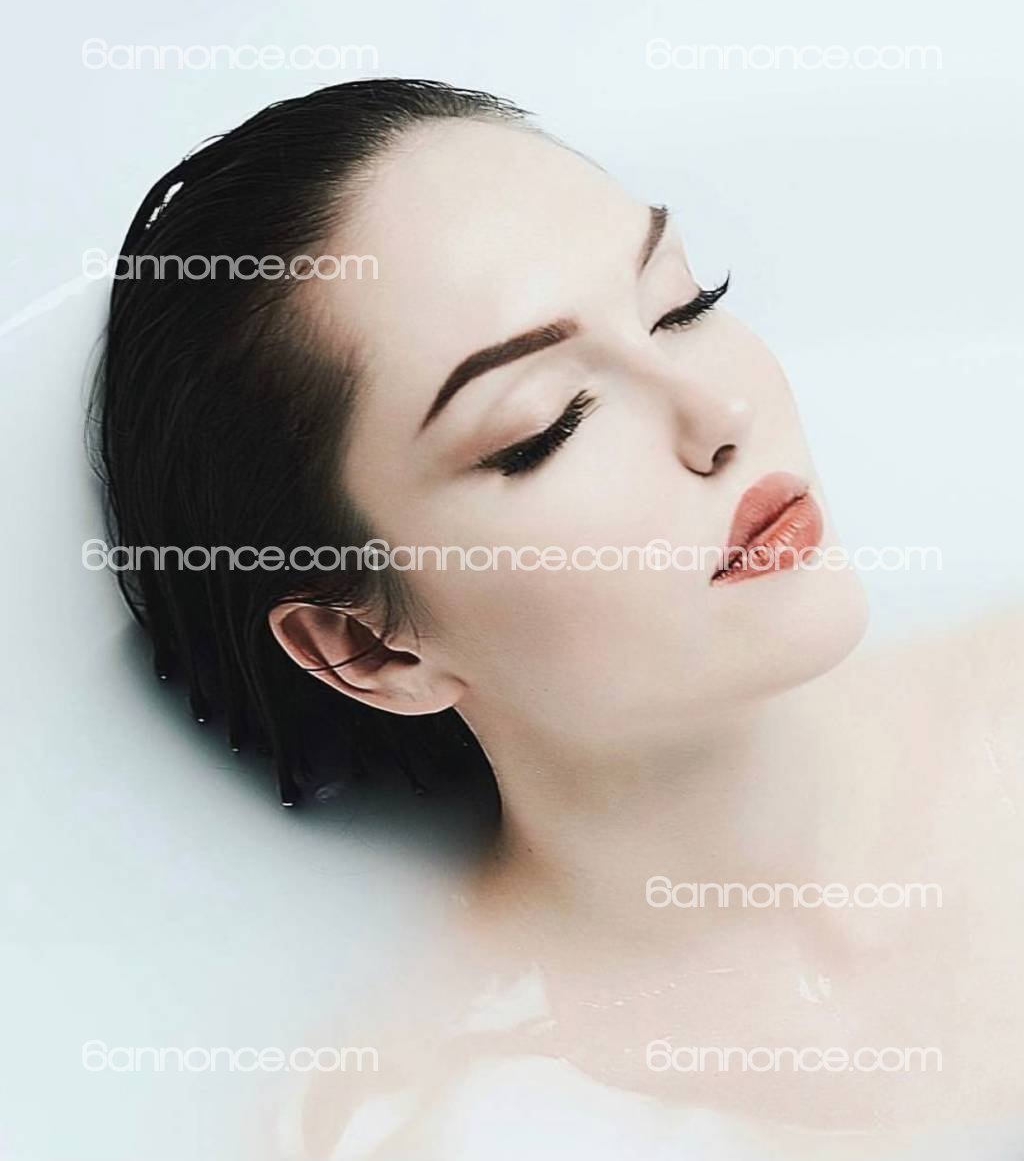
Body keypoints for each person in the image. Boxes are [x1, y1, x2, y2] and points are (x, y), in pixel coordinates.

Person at [90, 78, 1024, 1157]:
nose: (719, 413)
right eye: (548, 425)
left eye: (681, 305)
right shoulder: (444, 1125)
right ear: (370, 646)